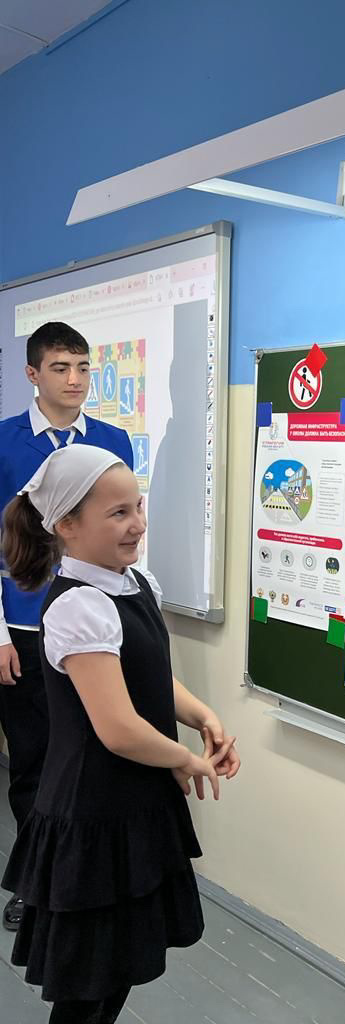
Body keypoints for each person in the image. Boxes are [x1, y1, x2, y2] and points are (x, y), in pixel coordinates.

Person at [1, 444, 239, 1023]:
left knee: (118, 972)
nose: (138, 524)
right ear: (67, 525)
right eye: (118, 513)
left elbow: (149, 677)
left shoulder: (134, 584)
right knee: (88, 987)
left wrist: (202, 715)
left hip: (132, 806)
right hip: (91, 815)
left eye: (138, 506)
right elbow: (118, 729)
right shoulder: (79, 607)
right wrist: (186, 759)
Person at [0, 321, 133, 931]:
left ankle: (84, 878)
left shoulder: (112, 441)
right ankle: (34, 885)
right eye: (60, 368)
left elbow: (122, 529)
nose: (75, 380)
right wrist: (0, 633)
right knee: (34, 760)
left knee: (90, 756)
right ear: (33, 374)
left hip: (95, 626)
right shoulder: (5, 443)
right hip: (25, 627)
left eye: (83, 368)